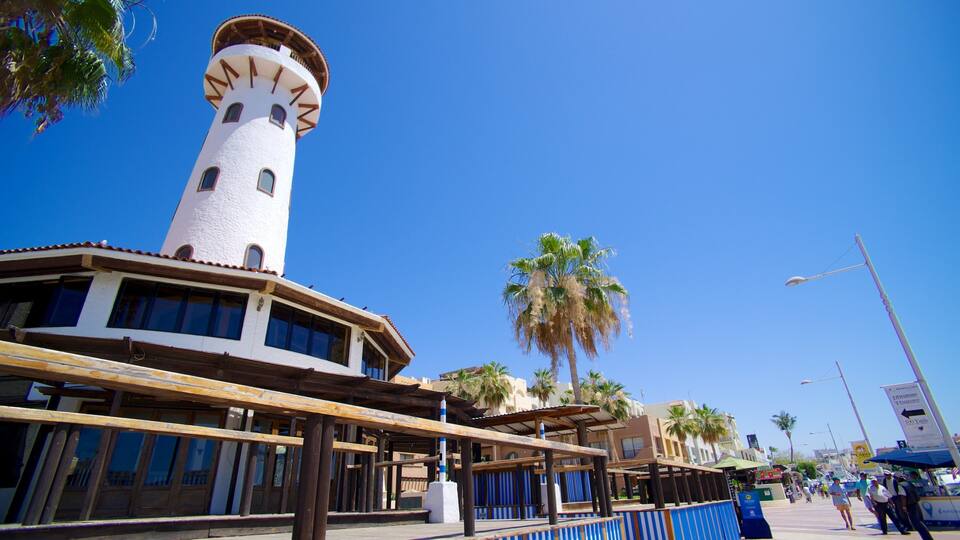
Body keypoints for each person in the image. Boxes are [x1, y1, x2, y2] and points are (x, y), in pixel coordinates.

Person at [903, 472, 934, 540]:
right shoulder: (909, 483)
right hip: (915, 503)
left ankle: (927, 538)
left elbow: (903, 497)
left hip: (911, 505)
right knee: (919, 522)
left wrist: (904, 506)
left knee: (917, 523)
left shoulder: (903, 485)